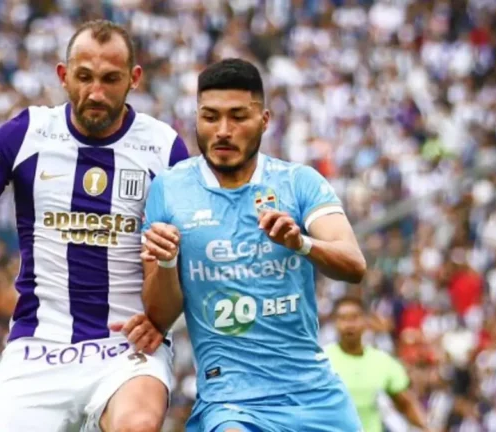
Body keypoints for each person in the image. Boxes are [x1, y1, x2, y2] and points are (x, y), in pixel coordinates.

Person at [0, 20, 189, 432]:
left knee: (136, 426)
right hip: (38, 347)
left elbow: (181, 260)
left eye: (110, 79)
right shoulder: (26, 133)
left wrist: (161, 320)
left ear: (134, 78)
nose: (95, 92)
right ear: (63, 75)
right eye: (84, 77)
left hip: (126, 347)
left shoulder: (164, 148)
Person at [139, 58, 367, 432]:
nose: (223, 131)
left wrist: (302, 243)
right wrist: (165, 263)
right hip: (231, 402)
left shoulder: (298, 182)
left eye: (238, 117)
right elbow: (159, 316)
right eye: (210, 117)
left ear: (264, 120)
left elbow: (354, 264)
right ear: (196, 118)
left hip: (315, 395)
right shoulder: (170, 189)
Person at [324, 296, 430, 432]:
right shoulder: (321, 361)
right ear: (334, 323)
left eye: (354, 318)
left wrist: (428, 428)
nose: (349, 325)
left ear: (365, 321)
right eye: (343, 318)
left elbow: (406, 404)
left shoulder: (383, 361)